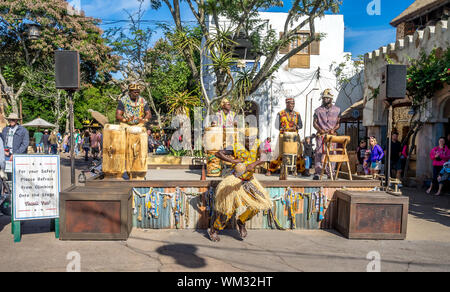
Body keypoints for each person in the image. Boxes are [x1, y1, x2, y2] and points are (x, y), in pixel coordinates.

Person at [208, 128, 272, 242]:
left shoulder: (258, 144)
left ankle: (241, 221)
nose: (251, 142)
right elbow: (218, 153)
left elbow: (265, 157)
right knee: (228, 210)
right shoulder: (236, 146)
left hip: (249, 181)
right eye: (249, 140)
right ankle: (214, 229)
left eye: (253, 139)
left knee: (259, 204)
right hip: (235, 180)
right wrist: (232, 161)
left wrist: (254, 163)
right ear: (244, 138)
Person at [267, 97, 306, 176]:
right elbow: (276, 125)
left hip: (294, 136)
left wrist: (297, 126)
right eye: (291, 104)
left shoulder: (297, 114)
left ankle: (302, 170)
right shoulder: (280, 113)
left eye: (293, 104)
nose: (292, 105)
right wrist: (282, 128)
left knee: (298, 154)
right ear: (287, 104)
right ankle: (270, 170)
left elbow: (300, 125)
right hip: (283, 136)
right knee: (279, 154)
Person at [313, 89, 341, 180]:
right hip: (321, 135)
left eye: (326, 98)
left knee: (332, 153)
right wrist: (319, 129)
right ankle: (317, 173)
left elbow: (338, 124)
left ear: (331, 99)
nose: (324, 99)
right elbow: (314, 123)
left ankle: (331, 173)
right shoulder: (317, 110)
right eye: (323, 98)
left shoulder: (337, 110)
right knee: (319, 152)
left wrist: (334, 129)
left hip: (332, 136)